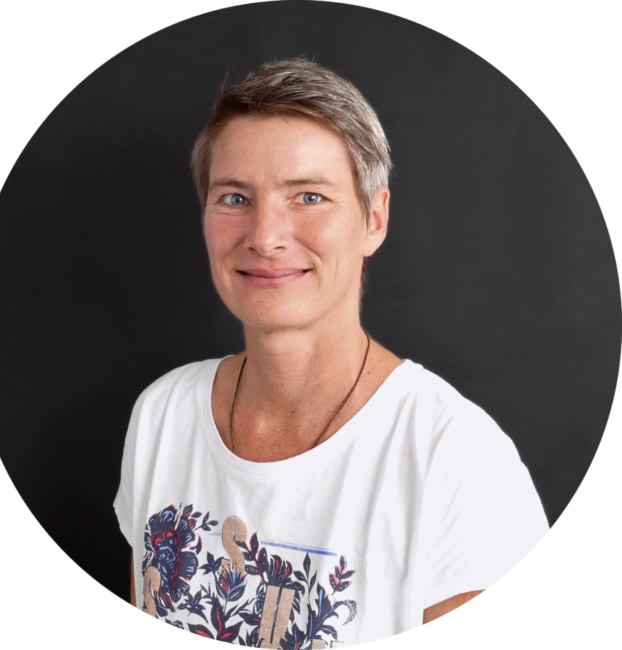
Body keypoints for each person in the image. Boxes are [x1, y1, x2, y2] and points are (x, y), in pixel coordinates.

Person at [114, 58, 550, 642]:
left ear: (374, 219)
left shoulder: (455, 460)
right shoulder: (162, 416)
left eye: (309, 196)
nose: (265, 236)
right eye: (235, 198)